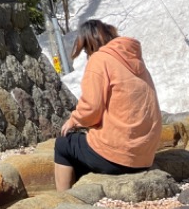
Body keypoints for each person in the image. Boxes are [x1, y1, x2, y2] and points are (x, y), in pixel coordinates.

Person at [54, 18, 163, 191]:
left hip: (119, 156)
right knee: (83, 147)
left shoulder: (100, 59)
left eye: (86, 50)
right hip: (145, 155)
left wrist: (74, 120)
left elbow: (91, 107)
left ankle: (63, 202)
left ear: (89, 42)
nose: (88, 55)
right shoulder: (134, 59)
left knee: (63, 145)